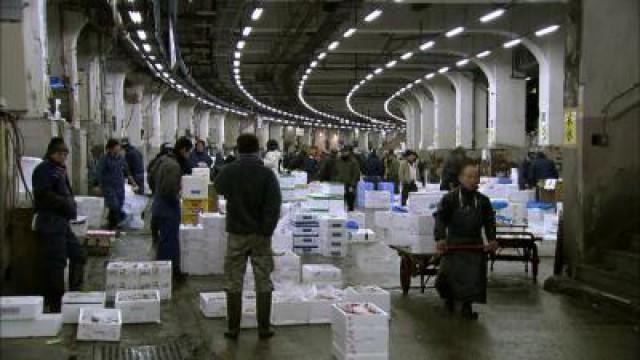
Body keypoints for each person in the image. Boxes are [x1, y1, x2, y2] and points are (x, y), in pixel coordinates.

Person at [215, 134, 281, 340]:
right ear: (257, 149)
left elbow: (217, 187)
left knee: (234, 279)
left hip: (236, 234)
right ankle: (264, 328)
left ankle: (233, 329)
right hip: (260, 236)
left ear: (238, 149)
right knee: (263, 279)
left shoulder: (229, 171)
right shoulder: (267, 174)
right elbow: (274, 204)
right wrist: (266, 230)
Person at [434, 161, 498, 320]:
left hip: (474, 244)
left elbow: (489, 221)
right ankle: (449, 299)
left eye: (476, 177)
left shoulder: (483, 201)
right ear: (461, 178)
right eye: (469, 176)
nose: (472, 180)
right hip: (454, 244)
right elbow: (440, 219)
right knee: (447, 277)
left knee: (473, 278)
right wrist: (440, 238)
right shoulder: (450, 199)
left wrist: (492, 239)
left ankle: (467, 307)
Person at [32, 137, 87, 312]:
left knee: (79, 255)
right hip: (50, 223)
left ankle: (74, 295)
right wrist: (65, 204)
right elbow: (43, 194)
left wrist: (70, 206)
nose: (63, 156)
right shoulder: (43, 170)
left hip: (62, 223)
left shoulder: (59, 169)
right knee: (56, 264)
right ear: (51, 153)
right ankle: (56, 304)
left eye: (65, 154)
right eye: (59, 153)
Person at [150, 137, 193, 280]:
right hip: (167, 208)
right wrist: (178, 194)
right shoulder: (174, 166)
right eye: (188, 152)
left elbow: (151, 177)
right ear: (182, 150)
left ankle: (164, 271)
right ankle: (171, 274)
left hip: (158, 204)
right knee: (169, 242)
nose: (188, 155)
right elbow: (169, 191)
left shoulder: (163, 159)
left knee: (164, 241)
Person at [97, 139, 128, 230]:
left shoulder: (121, 157)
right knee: (114, 204)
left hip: (119, 185)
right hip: (108, 186)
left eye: (119, 146)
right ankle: (117, 223)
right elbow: (99, 171)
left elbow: (126, 169)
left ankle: (111, 224)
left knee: (119, 204)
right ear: (111, 148)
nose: (118, 148)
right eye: (116, 146)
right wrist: (98, 185)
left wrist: (132, 181)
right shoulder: (104, 158)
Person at [147, 142, 174, 248]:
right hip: (161, 192)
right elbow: (150, 176)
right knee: (159, 214)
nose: (169, 152)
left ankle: (157, 235)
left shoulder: (157, 160)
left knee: (157, 213)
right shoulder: (159, 161)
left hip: (160, 191)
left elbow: (150, 175)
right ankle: (157, 236)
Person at [331, 145, 361, 211]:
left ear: (348, 152)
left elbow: (356, 175)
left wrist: (352, 185)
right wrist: (334, 181)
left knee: (350, 203)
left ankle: (350, 214)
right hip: (339, 185)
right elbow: (334, 173)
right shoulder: (338, 161)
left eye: (345, 152)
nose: (343, 153)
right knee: (338, 204)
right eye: (342, 152)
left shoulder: (353, 162)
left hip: (349, 185)